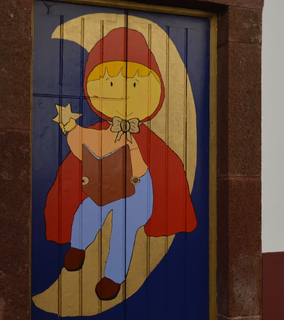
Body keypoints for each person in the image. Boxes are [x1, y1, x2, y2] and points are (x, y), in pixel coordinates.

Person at [44, 27, 197, 300]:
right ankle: (78, 245)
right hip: (108, 181)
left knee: (124, 230)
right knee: (87, 210)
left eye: (136, 84)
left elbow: (163, 167)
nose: (124, 93)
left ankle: (113, 277)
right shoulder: (102, 131)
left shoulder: (146, 140)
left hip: (138, 187)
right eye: (111, 84)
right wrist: (70, 127)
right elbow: (82, 144)